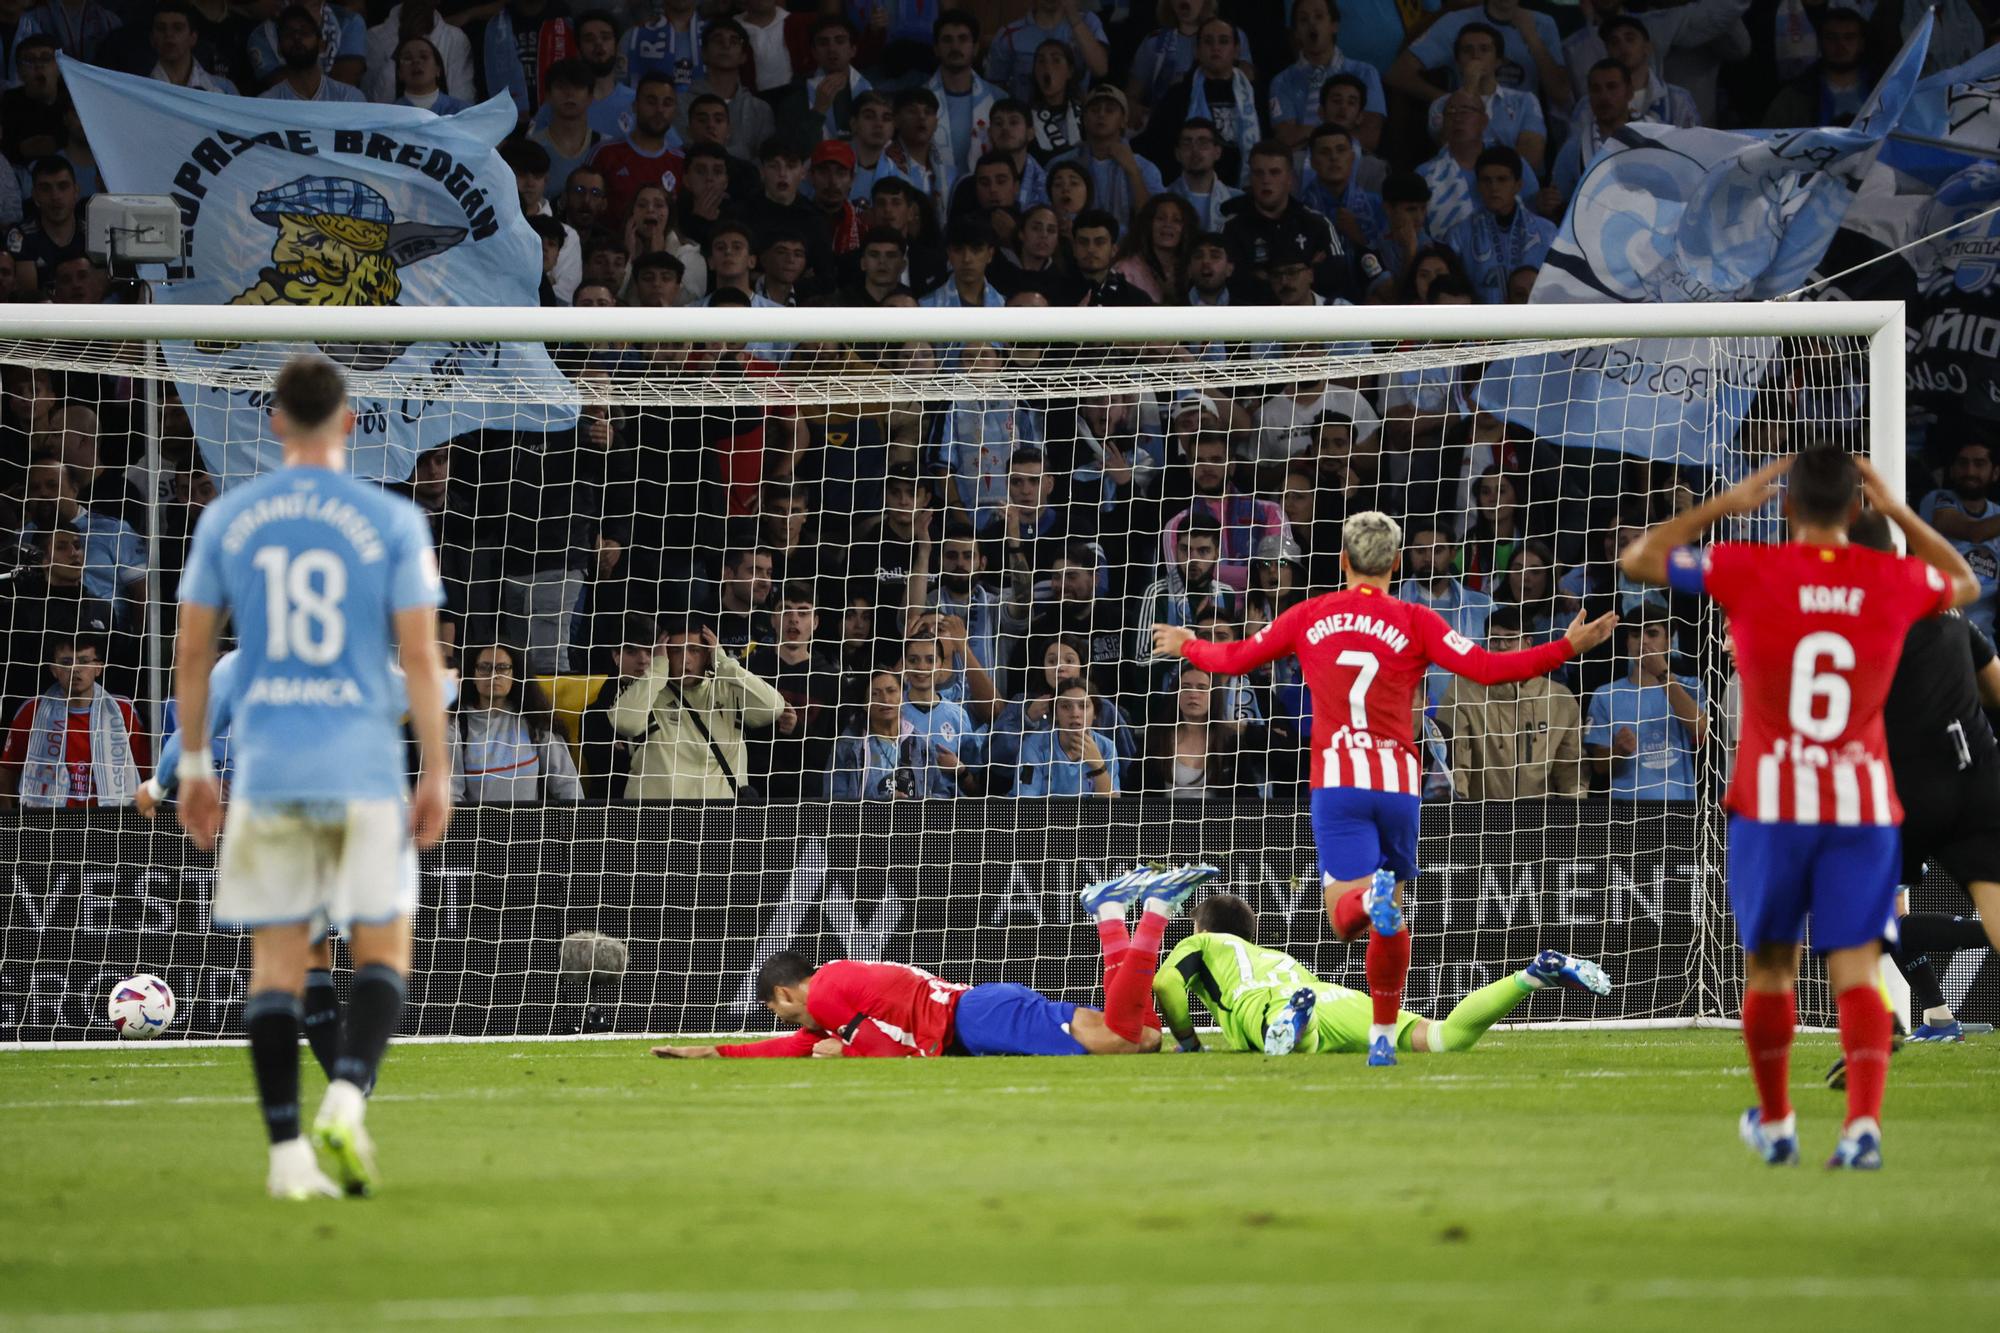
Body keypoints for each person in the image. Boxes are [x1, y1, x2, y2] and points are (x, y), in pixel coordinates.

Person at [1620, 447, 1979, 1169]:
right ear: (1858, 506)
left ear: (1784, 507)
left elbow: (1640, 557)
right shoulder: (1895, 577)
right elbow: (1966, 581)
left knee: (1772, 967)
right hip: (1859, 806)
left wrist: (1727, 503)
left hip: (1772, 802)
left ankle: (1780, 1121)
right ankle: (1863, 1127)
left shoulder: (1752, 569)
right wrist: (1899, 508)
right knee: (1855, 968)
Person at [1153, 510, 1616, 1067]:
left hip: (1339, 781)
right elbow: (1492, 670)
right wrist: (1564, 647)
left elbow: (1236, 658)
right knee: (1392, 908)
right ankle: (1379, 1035)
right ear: (1396, 564)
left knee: (1345, 918)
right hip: (1399, 782)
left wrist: (1186, 644)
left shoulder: (1309, 615)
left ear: (1343, 561)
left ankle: (1366, 908)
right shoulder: (1416, 620)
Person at [173, 355, 452, 1200]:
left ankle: (287, 1156)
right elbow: (420, 655)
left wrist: (190, 763)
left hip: (267, 765)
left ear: (275, 422)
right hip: (364, 764)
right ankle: (345, 1093)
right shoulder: (393, 519)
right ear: (350, 422)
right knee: (383, 945)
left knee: (278, 963)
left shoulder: (231, 517)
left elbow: (192, 651)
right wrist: (436, 769)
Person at [650, 865, 1213, 1058]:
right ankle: (1112, 913)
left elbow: (889, 1051)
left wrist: (842, 1052)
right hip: (983, 1008)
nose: (787, 1023)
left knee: (1121, 1039)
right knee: (1142, 1038)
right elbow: (796, 1045)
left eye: (780, 1012)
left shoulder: (823, 994)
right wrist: (713, 1051)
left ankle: (1143, 909)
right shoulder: (836, 986)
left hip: (975, 1021)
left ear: (786, 994)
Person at [1848, 511, 2000, 1019]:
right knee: (1984, 900)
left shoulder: (1857, 614)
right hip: (1978, 768)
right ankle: (1936, 1016)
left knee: (1864, 915)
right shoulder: (1947, 601)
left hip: (1905, 782)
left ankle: (1878, 1029)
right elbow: (1995, 687)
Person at [1156, 892, 1610, 1057]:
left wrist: (1190, 1042)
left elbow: (1165, 983)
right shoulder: (1277, 955)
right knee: (1445, 1039)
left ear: (1200, 928)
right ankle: (1533, 974)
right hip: (1333, 996)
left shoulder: (1203, 943)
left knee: (1288, 1041)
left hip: (1266, 1004)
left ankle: (1296, 1025)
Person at [608, 613, 787, 800]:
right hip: (658, 820)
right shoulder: (648, 691)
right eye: (676, 651)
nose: (685, 660)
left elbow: (772, 708)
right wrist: (658, 669)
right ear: (663, 653)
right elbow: (625, 723)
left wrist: (724, 663)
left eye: (694, 650)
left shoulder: (728, 688)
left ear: (708, 654)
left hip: (718, 819)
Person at [1441, 607, 1585, 800]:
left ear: (1528, 643)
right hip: (1482, 819)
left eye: (1510, 639)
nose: (1502, 646)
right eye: (1494, 640)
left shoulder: (1560, 699)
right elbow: (1456, 765)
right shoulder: (1462, 691)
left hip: (1542, 820)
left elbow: (1569, 771)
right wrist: (1463, 820)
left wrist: (1573, 820)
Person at [0, 634, 145, 808]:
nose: (75, 669)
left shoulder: (123, 711)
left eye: (84, 661)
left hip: (111, 822)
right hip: (48, 823)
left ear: (98, 667)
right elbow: (7, 773)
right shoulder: (32, 711)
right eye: (66, 662)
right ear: (53, 669)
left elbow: (143, 772)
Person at [1583, 614, 1707, 801]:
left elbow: (1700, 729)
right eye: (1635, 634)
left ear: (1668, 642)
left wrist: (1662, 674)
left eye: (1652, 633)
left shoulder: (1690, 685)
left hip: (1681, 808)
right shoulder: (1605, 694)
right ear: (1627, 643)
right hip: (1626, 812)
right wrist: (1619, 751)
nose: (1643, 640)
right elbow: (1598, 766)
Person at [449, 642, 582, 804]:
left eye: (503, 667)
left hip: (531, 828)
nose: (494, 675)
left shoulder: (535, 720)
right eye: (484, 667)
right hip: (475, 828)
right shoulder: (455, 727)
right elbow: (451, 796)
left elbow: (568, 785)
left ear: (514, 675)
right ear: (473, 676)